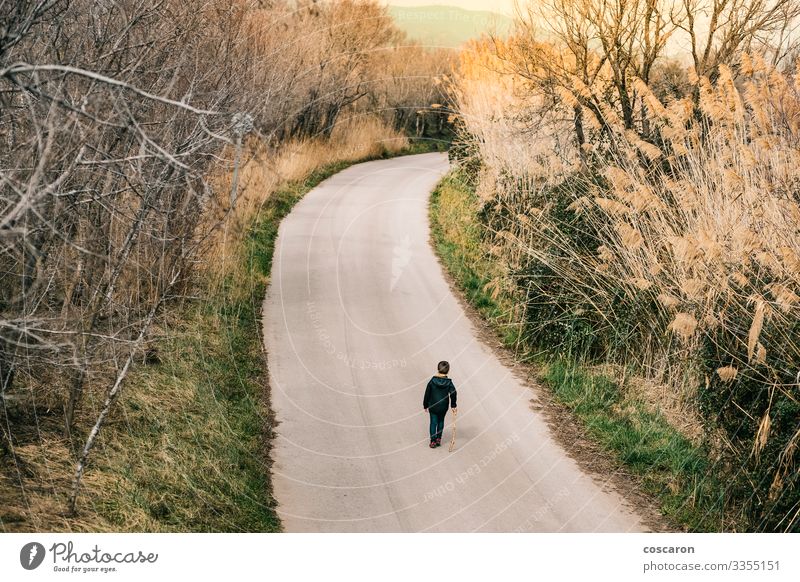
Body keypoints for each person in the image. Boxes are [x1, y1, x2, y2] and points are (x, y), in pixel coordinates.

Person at [423, 360, 457, 448]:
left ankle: (433, 441)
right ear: (448, 370)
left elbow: (427, 393)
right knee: (441, 421)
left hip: (433, 406)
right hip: (443, 406)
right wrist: (453, 405)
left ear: (438, 369)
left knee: (433, 422)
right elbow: (453, 392)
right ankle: (439, 438)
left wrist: (425, 405)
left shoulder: (432, 381)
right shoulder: (449, 382)